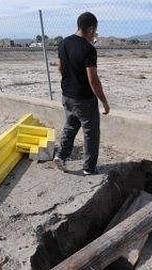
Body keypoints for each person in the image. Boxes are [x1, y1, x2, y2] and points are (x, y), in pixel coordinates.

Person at [53, 12, 110, 175]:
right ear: (91, 29)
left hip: (67, 96)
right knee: (91, 133)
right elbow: (93, 80)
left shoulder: (64, 43)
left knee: (70, 126)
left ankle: (61, 156)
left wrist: (71, 81)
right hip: (84, 99)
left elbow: (60, 68)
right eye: (95, 31)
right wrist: (104, 101)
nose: (95, 35)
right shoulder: (88, 49)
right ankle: (89, 168)